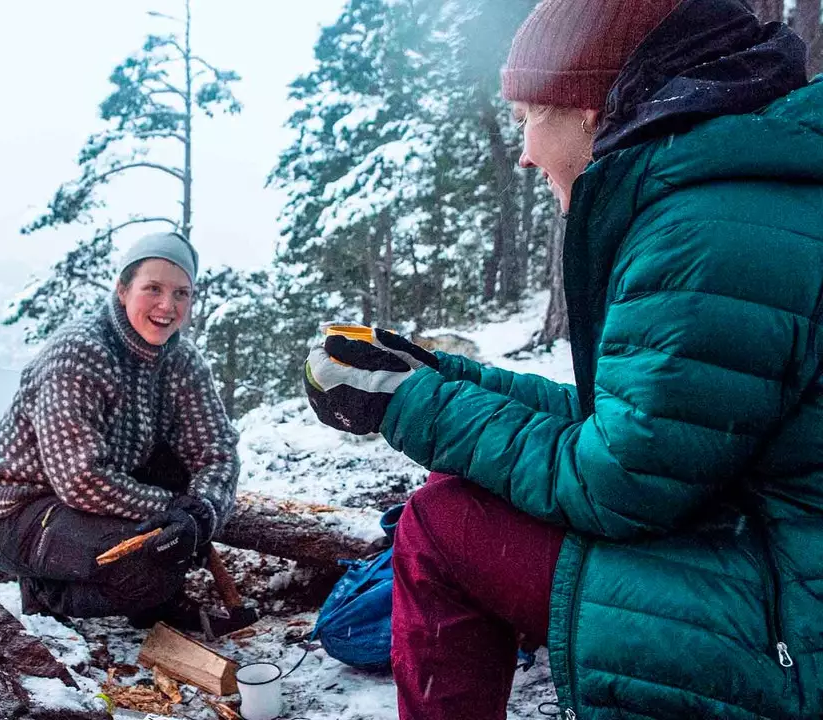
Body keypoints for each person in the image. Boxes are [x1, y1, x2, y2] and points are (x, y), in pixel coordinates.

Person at [304, 0, 823, 717]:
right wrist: (431, 375)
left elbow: (619, 482)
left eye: (526, 119)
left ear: (587, 109)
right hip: (760, 543)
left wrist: (409, 404)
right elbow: (639, 425)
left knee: (441, 525)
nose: (522, 153)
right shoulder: (732, 190)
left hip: (787, 614)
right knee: (449, 505)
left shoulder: (707, 227)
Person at [0, 231, 240, 631]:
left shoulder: (182, 361)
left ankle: (154, 600)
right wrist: (170, 513)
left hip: (100, 498)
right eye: (153, 289)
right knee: (149, 567)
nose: (168, 305)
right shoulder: (80, 352)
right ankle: (44, 591)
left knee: (174, 523)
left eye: (182, 294)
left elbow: (217, 451)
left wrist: (200, 516)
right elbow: (79, 479)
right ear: (122, 289)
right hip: (21, 511)